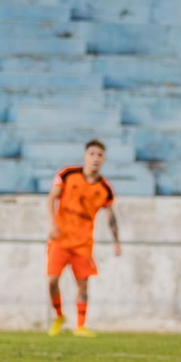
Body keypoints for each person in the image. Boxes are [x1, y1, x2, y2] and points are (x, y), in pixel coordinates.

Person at [46, 140, 121, 338]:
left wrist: (116, 242)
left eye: (100, 155)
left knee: (83, 284)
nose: (96, 158)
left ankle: (80, 326)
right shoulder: (68, 174)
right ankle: (59, 317)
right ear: (85, 156)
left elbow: (111, 216)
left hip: (83, 243)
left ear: (104, 159)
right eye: (92, 154)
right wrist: (52, 224)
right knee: (52, 281)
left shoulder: (105, 188)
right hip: (61, 239)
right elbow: (51, 198)